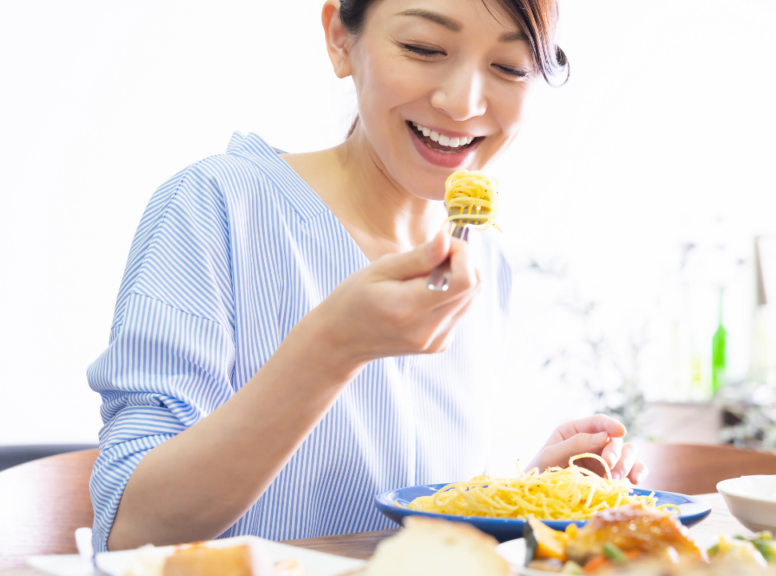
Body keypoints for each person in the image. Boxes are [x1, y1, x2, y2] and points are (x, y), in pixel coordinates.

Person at [88, 0, 648, 552]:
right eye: (423, 48)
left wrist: (530, 496)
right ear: (339, 38)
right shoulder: (216, 208)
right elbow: (132, 529)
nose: (462, 103)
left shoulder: (483, 262)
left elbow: (410, 534)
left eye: (509, 68)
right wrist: (332, 347)